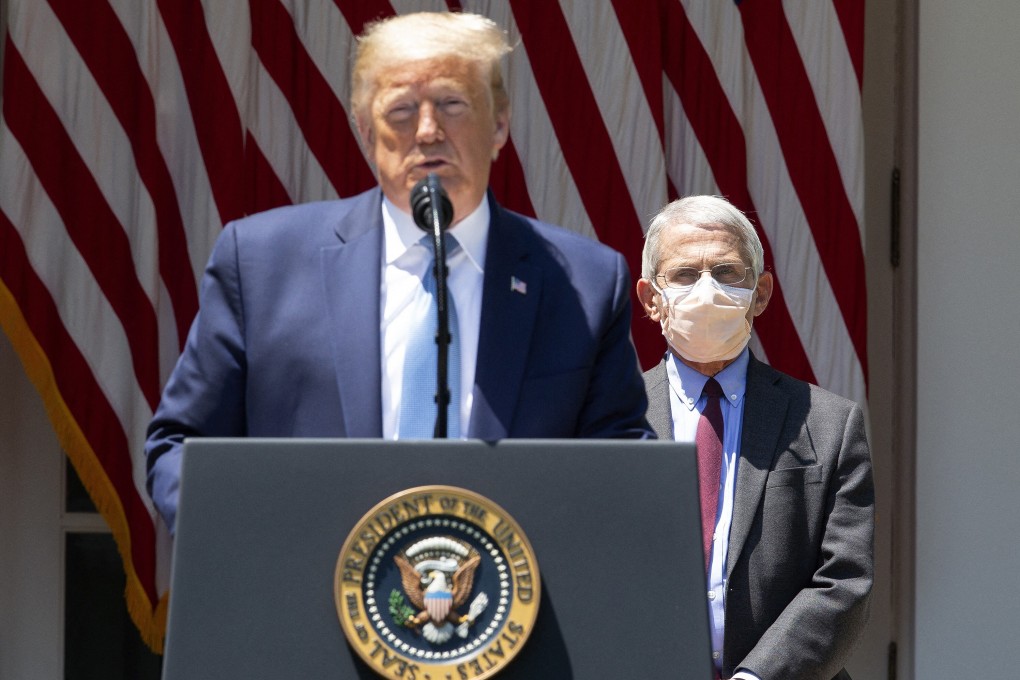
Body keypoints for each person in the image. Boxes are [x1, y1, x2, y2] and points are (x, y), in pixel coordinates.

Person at [145, 11, 651, 533]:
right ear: (366, 132)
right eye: (401, 110)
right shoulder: (260, 265)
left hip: (516, 605)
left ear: (499, 123)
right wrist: (259, 558)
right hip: (307, 604)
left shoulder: (583, 284)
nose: (428, 131)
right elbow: (179, 449)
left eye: (452, 104)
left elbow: (621, 471)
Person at [636, 196, 873, 680]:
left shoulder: (829, 423)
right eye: (684, 274)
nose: (707, 290)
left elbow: (844, 580)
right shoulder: (605, 422)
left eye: (727, 273)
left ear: (761, 294)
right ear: (649, 298)